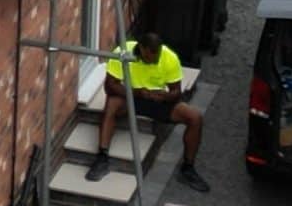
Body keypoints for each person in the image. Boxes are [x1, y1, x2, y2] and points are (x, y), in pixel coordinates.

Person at [88, 28, 208, 192]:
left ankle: (188, 168)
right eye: (149, 58)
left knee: (195, 117)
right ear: (141, 49)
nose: (153, 61)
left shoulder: (169, 58)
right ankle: (102, 157)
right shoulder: (124, 52)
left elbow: (176, 92)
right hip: (131, 96)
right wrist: (137, 92)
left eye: (156, 58)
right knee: (111, 104)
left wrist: (164, 97)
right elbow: (110, 87)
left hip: (156, 101)